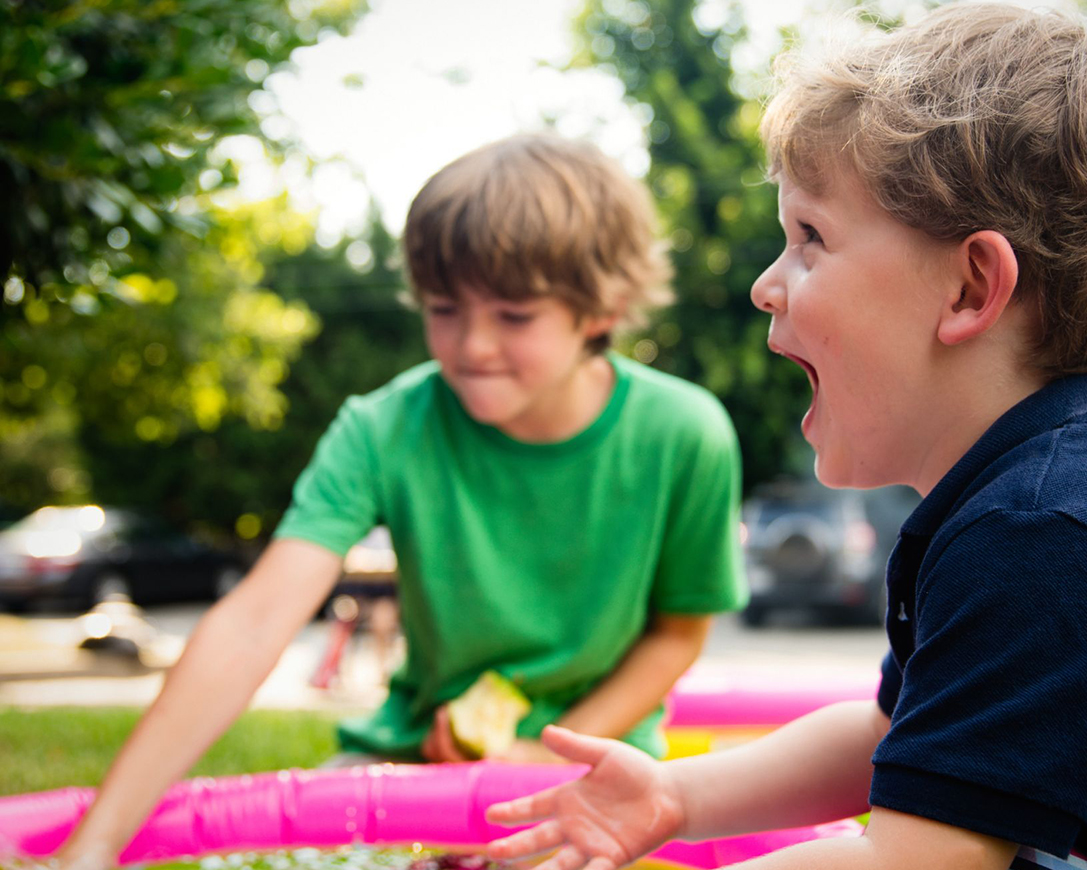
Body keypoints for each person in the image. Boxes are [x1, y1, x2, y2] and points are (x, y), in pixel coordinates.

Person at [483, 6, 1087, 870]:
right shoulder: (1031, 503)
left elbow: (910, 861)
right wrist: (679, 798)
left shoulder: (1053, 537)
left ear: (971, 289)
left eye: (810, 239)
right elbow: (892, 736)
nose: (764, 286)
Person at [54, 133, 746, 868]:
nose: (472, 345)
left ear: (602, 309)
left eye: (514, 316)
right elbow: (254, 622)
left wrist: (540, 754)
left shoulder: (685, 433)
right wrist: (93, 847)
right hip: (411, 765)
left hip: (599, 772)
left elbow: (678, 632)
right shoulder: (383, 427)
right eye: (444, 309)